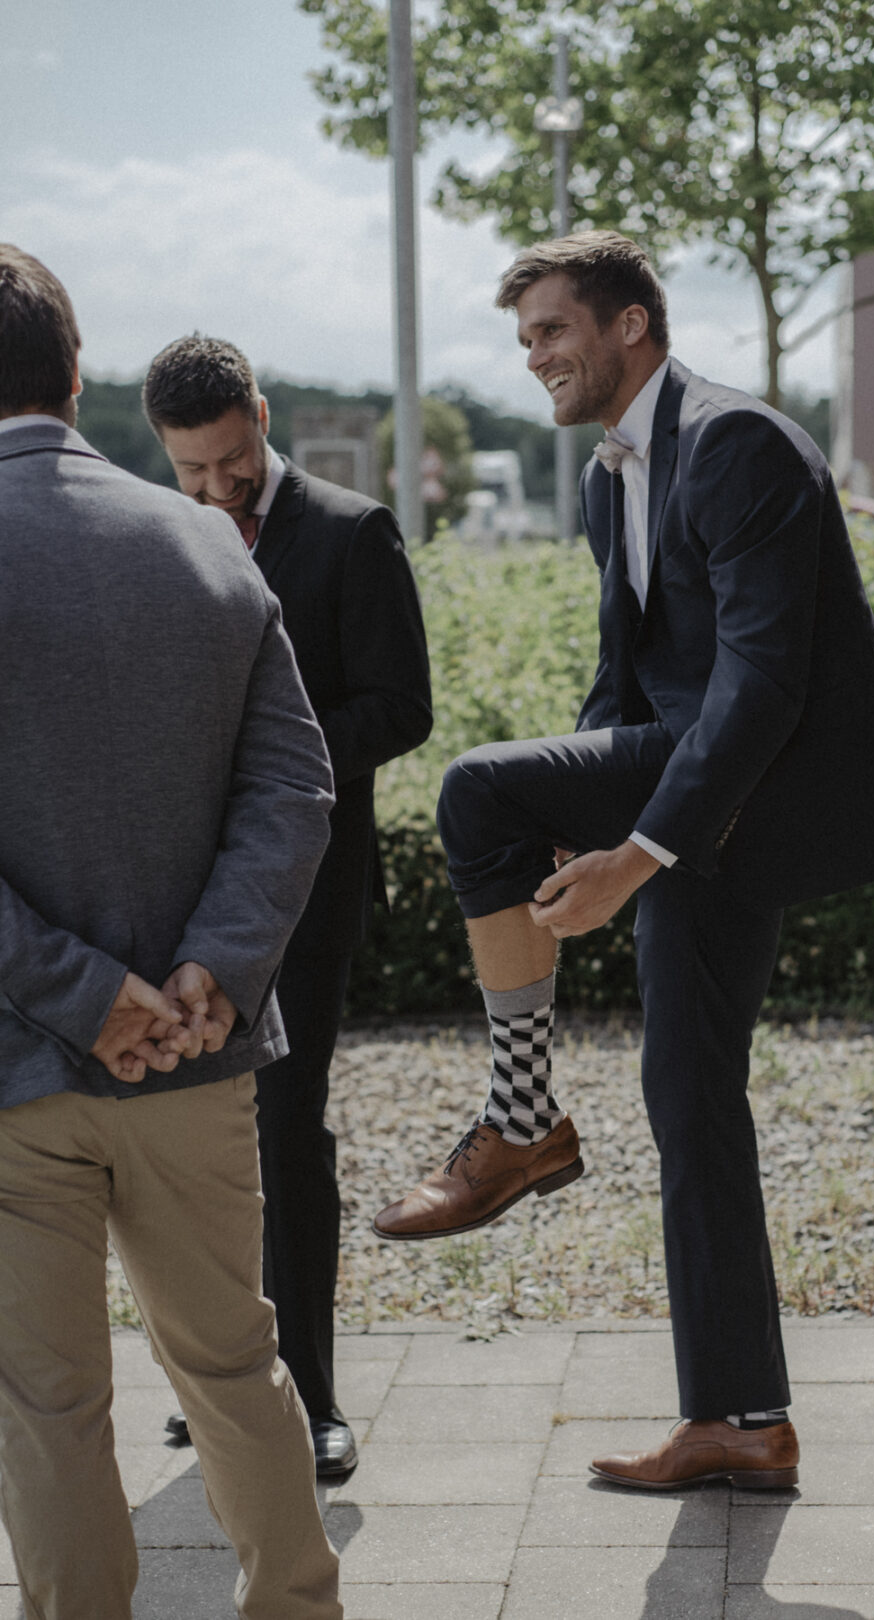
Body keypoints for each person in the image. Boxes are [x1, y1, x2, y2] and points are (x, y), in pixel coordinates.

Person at [373, 231, 874, 1492]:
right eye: (524, 339)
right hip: (694, 785)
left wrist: (634, 852)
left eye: (552, 331)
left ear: (629, 324)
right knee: (689, 1096)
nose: (536, 357)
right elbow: (626, 676)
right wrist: (585, 812)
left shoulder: (739, 444)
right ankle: (740, 1420)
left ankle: (519, 1119)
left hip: (768, 788)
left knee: (474, 790)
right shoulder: (607, 477)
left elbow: (761, 683)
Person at [0, 245, 341, 1617]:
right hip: (200, 1053)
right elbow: (295, 786)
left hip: (14, 1071)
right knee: (235, 1366)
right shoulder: (206, 541)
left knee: (46, 1406)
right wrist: (213, 968)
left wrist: (82, 992)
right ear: (77, 377)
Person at [142, 337, 432, 1477]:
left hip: (306, 887)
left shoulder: (356, 534)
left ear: (261, 416)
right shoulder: (158, 532)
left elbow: (403, 707)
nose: (217, 489)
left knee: (285, 1133)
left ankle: (310, 1397)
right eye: (191, 471)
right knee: (192, 1148)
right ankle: (223, 1386)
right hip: (177, 893)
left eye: (233, 462)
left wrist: (271, 760)